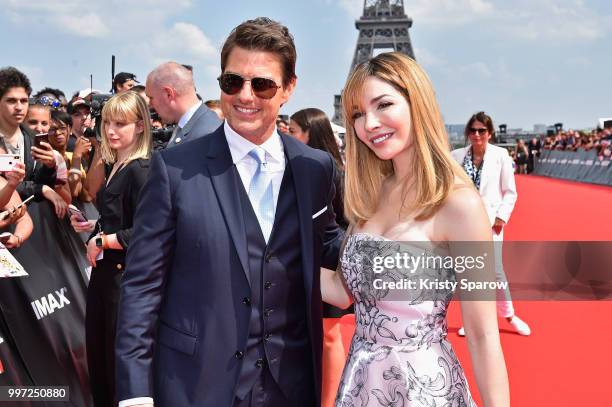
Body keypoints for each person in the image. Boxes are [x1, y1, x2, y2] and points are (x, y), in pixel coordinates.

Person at [115, 17, 343, 407]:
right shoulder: (173, 169)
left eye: (263, 84)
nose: (245, 95)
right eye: (232, 82)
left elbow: (331, 247)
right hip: (195, 384)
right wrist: (135, 393)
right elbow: (141, 288)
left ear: (289, 88)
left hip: (292, 385)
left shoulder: (314, 168)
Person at [321, 52, 509, 406]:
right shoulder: (370, 195)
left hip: (424, 390)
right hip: (360, 385)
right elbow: (341, 291)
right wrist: (265, 256)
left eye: (384, 104)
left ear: (416, 102)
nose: (369, 123)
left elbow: (483, 334)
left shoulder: (461, 205)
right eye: (358, 114)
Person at [69, 91, 152, 407]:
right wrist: (96, 227)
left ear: (140, 126)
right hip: (106, 277)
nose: (111, 131)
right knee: (100, 361)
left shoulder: (141, 168)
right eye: (107, 123)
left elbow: (149, 230)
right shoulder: (118, 163)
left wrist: (105, 240)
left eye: (121, 123)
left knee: (116, 370)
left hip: (124, 282)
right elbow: (121, 217)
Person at [452, 112, 531, 337]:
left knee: (496, 272)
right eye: (473, 130)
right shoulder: (456, 156)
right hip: (463, 224)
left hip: (490, 224)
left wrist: (501, 218)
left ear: (490, 133)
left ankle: (510, 316)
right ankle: (473, 320)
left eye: (482, 131)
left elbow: (510, 192)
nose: (477, 135)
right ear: (468, 132)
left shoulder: (501, 155)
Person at [145, 61, 221, 148]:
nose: (150, 104)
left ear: (168, 94)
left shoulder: (205, 135)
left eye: (151, 98)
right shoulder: (194, 125)